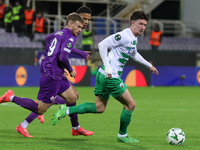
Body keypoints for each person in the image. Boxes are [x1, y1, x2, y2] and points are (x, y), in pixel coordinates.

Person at [52, 10, 159, 143]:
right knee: (130, 105)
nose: (143, 27)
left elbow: (134, 53)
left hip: (103, 74)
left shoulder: (133, 38)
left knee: (99, 107)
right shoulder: (124, 35)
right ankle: (122, 135)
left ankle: (66, 110)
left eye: (145, 25)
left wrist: (149, 66)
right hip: (110, 76)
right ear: (133, 23)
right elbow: (102, 45)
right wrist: (108, 67)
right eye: (141, 24)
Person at [0, 13, 91, 138]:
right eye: (78, 26)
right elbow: (63, 56)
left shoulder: (59, 33)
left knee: (72, 97)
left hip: (54, 69)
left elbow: (48, 38)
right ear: (70, 23)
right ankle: (11, 97)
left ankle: (75, 128)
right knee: (40, 109)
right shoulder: (70, 36)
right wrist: (70, 70)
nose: (80, 30)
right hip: (52, 74)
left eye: (82, 27)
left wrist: (52, 57)